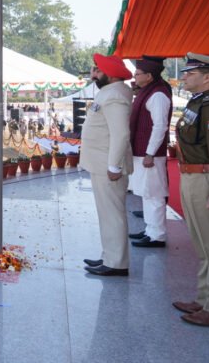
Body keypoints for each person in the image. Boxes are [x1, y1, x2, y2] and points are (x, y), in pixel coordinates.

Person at [81, 53, 134, 277]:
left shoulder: (114, 96)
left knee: (112, 213)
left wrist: (114, 167)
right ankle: (109, 255)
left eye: (99, 71)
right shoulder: (109, 92)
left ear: (111, 76)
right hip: (101, 163)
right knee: (106, 213)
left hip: (108, 165)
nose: (95, 74)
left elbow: (120, 134)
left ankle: (116, 262)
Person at [173, 52, 209, 326]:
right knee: (201, 243)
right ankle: (203, 297)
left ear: (208, 78)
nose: (184, 76)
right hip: (191, 175)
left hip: (205, 179)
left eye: (191, 73)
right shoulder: (198, 102)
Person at [128, 56, 173, 248]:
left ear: (149, 75)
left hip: (150, 154)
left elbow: (160, 126)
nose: (134, 77)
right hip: (143, 151)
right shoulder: (149, 91)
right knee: (146, 193)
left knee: (154, 194)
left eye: (138, 74)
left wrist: (150, 153)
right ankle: (150, 230)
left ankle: (157, 235)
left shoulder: (158, 95)